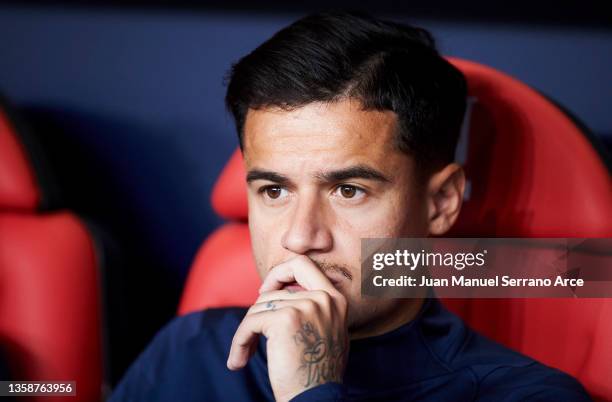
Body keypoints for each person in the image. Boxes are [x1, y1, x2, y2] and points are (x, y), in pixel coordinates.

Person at [109, 11, 591, 402]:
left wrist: (311, 392)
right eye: (274, 191)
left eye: (348, 190)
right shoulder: (190, 348)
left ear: (441, 202)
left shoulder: (530, 396)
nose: (300, 238)